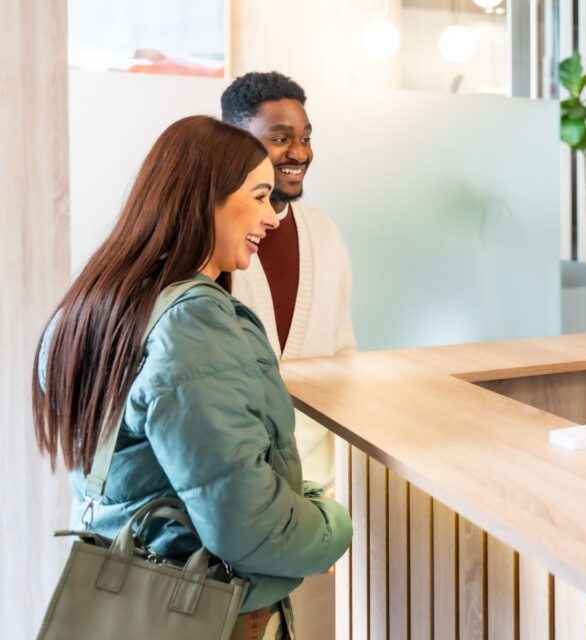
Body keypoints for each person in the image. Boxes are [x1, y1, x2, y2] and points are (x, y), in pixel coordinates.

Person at [32, 115, 353, 638]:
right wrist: (332, 519)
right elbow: (248, 527)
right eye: (259, 196)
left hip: (125, 600)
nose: (271, 217)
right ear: (206, 198)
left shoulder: (98, 306)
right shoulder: (192, 323)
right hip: (209, 613)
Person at [221, 70, 355, 637]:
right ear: (236, 140)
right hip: (241, 503)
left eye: (305, 136)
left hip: (317, 495)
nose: (299, 152)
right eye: (280, 137)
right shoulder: (214, 242)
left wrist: (338, 489)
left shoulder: (324, 234)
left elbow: (345, 361)